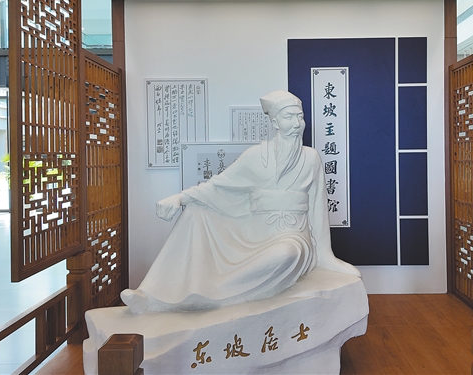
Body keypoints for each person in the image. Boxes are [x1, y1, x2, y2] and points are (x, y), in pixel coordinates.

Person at [121, 90, 360, 313]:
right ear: (275, 122)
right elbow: (219, 186)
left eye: (300, 117)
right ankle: (153, 294)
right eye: (289, 117)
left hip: (293, 235)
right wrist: (180, 198)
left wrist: (324, 255)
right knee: (195, 213)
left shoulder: (311, 158)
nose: (297, 124)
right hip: (253, 231)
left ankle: (211, 294)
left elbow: (318, 209)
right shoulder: (256, 156)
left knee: (285, 253)